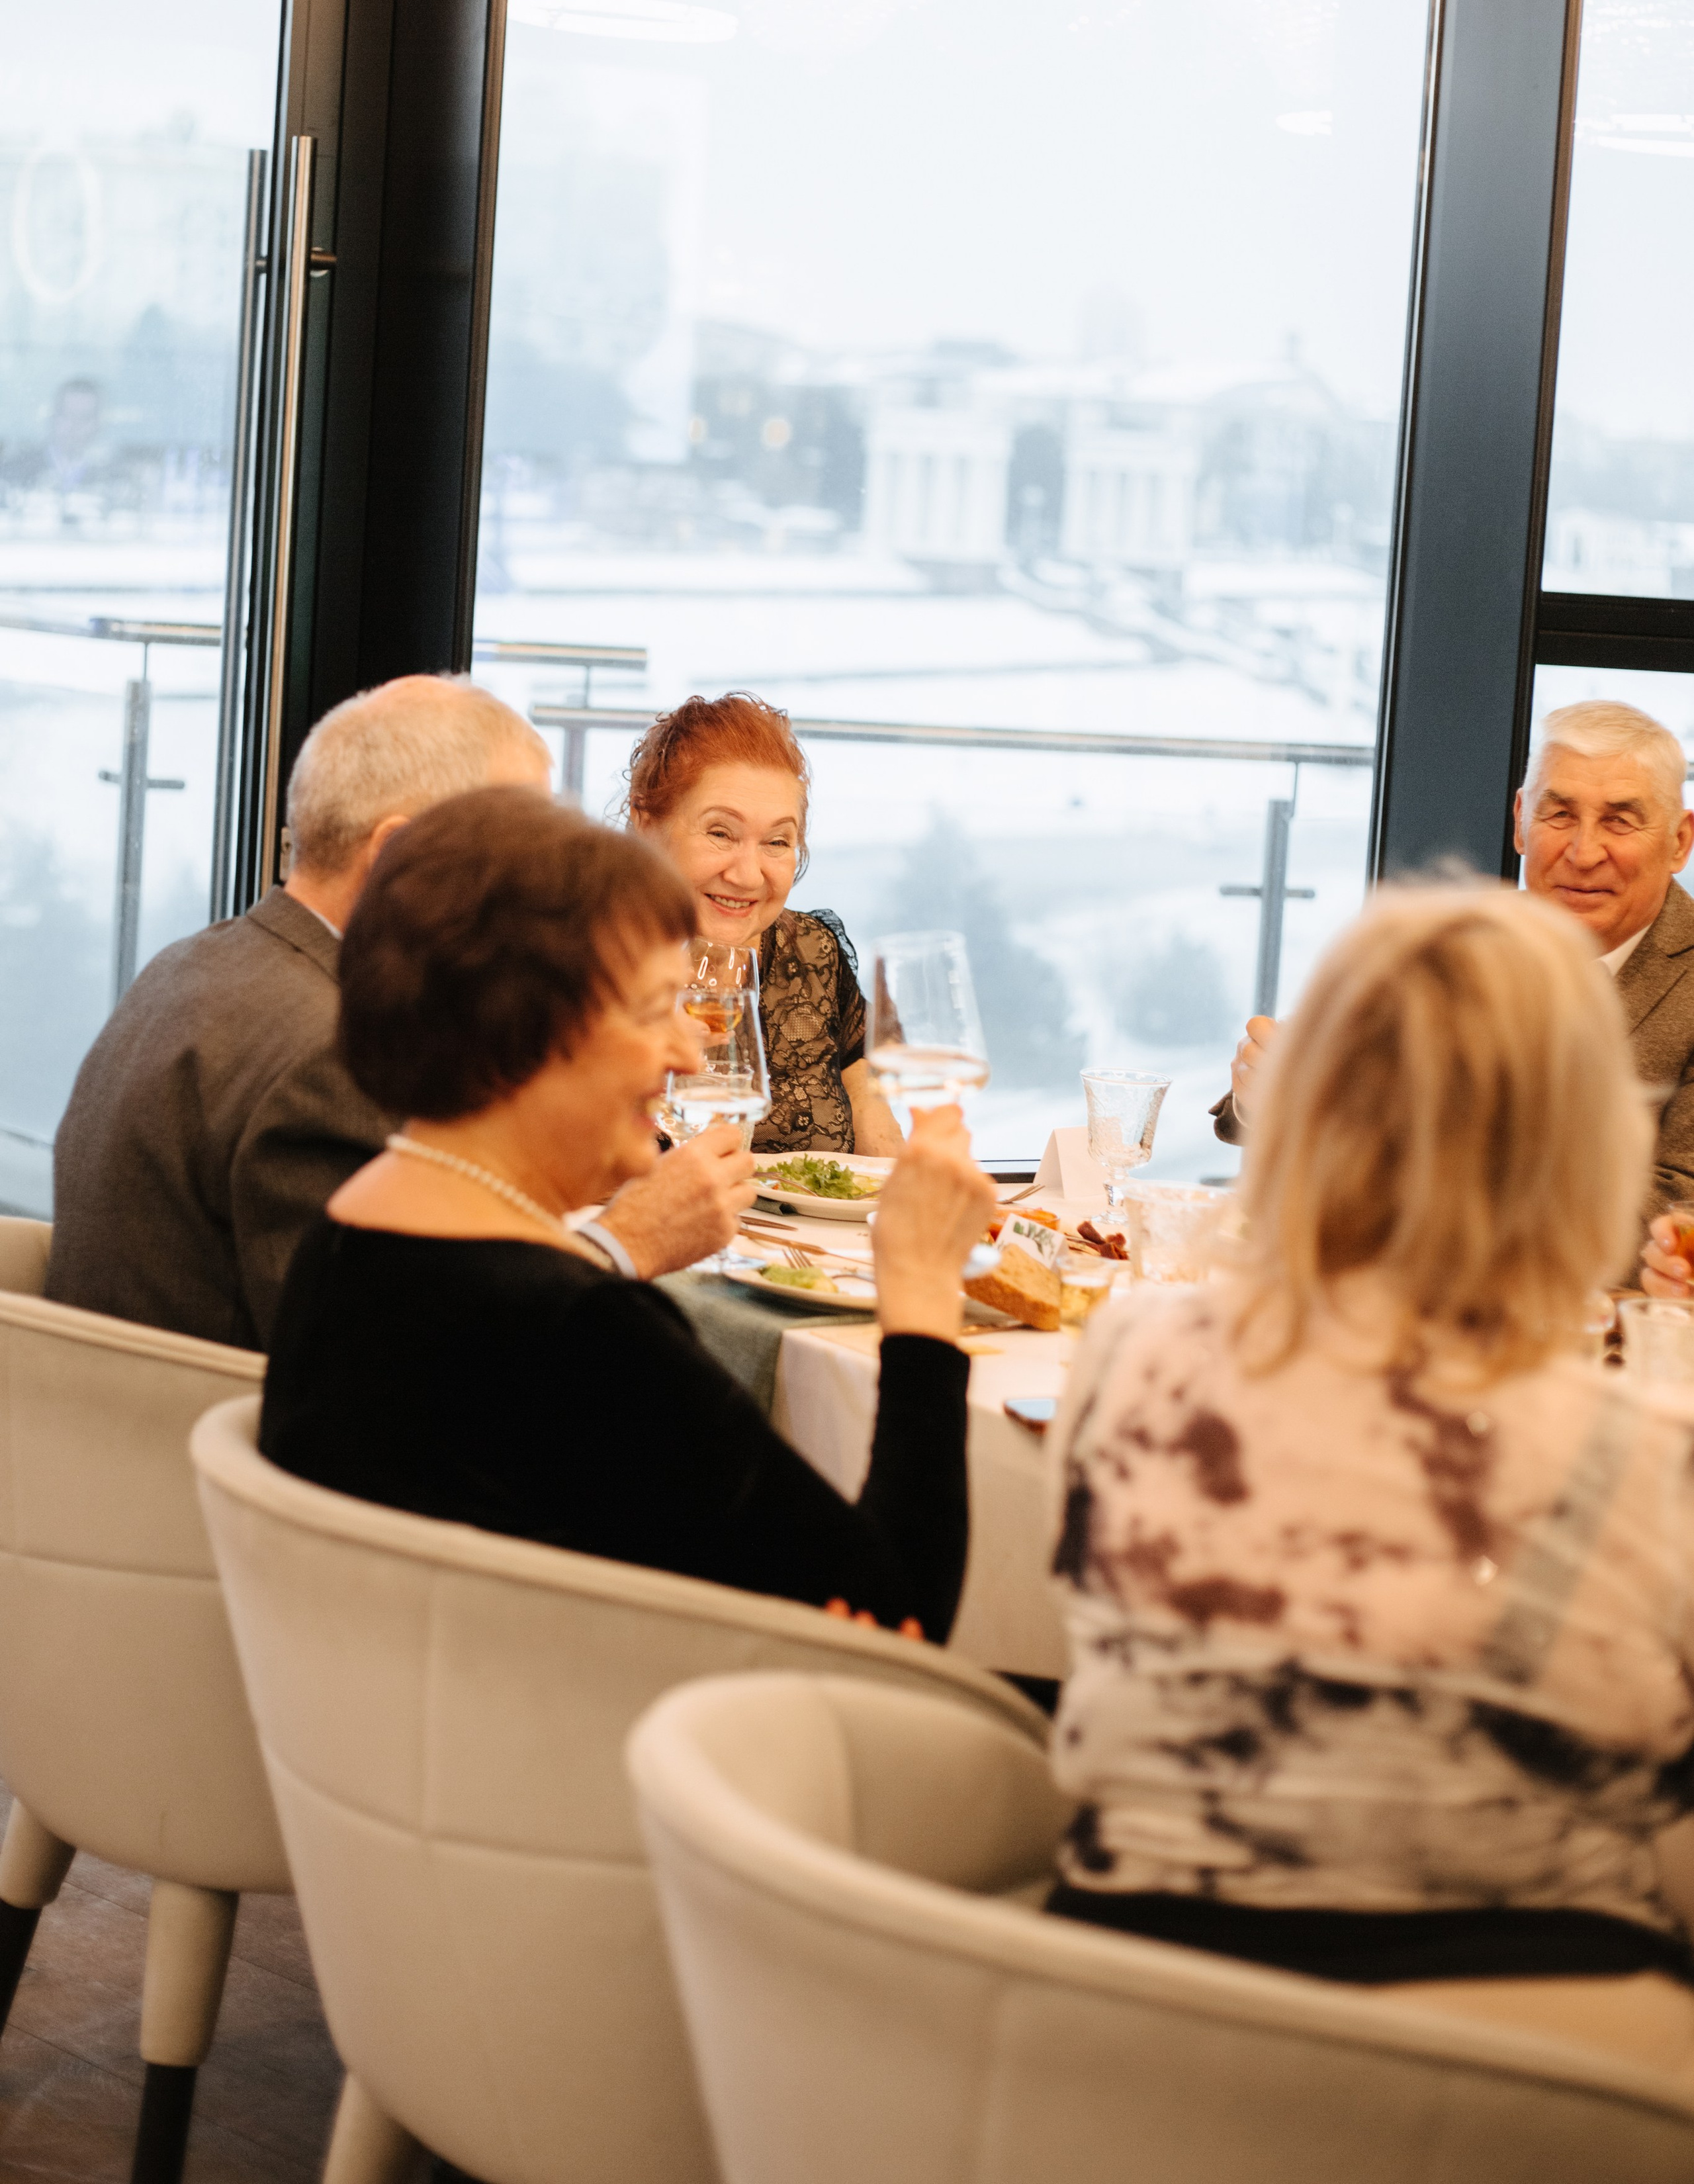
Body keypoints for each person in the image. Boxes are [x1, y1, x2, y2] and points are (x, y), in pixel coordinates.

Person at [1044, 879, 1694, 2069]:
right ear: (1585, 1138)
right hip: (1533, 2087)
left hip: (1126, 2043)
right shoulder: (1652, 1463)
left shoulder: (1129, 1357)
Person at [260, 787, 997, 1638]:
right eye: (656, 1012)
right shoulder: (578, 1333)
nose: (690, 1051)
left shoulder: (348, 1235)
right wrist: (919, 1299)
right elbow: (897, 1618)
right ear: (529, 1034)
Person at [46, 676, 752, 1351]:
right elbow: (393, 1365)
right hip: (217, 1450)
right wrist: (623, 1244)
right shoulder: (338, 1053)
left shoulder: (196, 963)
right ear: (397, 857)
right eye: (520, 852)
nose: (547, 893)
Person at [1213, 701, 1694, 1228]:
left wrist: (1431, 1208)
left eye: (1619, 822)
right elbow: (1348, 1113)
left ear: (1679, 841)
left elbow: (1677, 1208)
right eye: (1558, 815)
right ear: (1519, 822)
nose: (1583, 853)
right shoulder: (1451, 945)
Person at [625, 692, 903, 1156]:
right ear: (645, 821)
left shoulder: (815, 954)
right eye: (720, 833)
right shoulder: (574, 960)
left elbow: (875, 1123)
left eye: (776, 842)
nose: (748, 875)